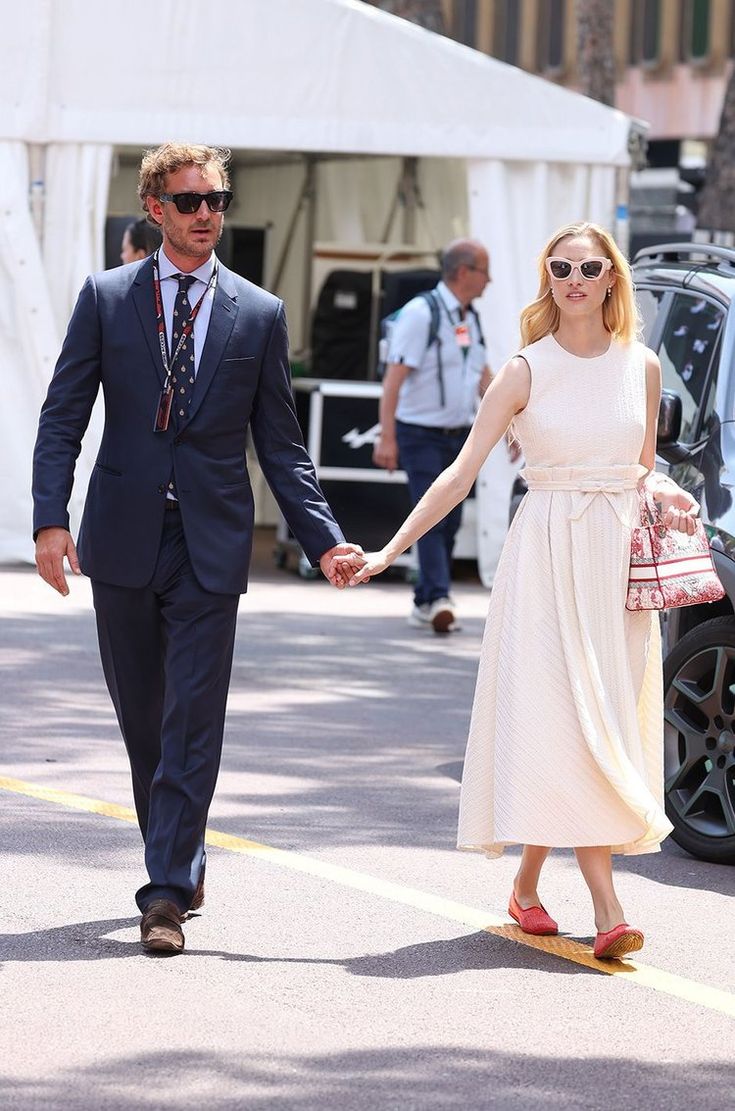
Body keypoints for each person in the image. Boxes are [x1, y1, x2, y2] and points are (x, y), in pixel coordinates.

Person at [32, 142, 363, 955]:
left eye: (216, 199)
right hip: (122, 534)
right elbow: (64, 413)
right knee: (144, 717)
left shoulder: (260, 312)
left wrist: (323, 540)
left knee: (193, 716)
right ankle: (180, 850)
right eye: (189, 201)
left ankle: (165, 892)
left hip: (210, 540)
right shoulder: (107, 298)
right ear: (156, 208)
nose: (206, 213)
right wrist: (48, 519)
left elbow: (281, 446)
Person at [342, 221, 699, 960]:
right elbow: (458, 474)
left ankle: (526, 887)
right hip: (544, 558)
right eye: (560, 268)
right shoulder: (523, 370)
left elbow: (640, 467)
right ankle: (608, 910)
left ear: (611, 277)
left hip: (613, 567)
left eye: (588, 268)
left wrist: (667, 490)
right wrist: (389, 550)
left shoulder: (641, 365)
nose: (574, 280)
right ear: (547, 279)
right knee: (569, 717)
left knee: (590, 720)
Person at [373, 239, 493, 634]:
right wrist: (387, 436)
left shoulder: (469, 318)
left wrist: (509, 423)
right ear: (463, 272)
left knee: (451, 517)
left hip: (459, 434)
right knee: (432, 515)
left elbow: (482, 375)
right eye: (484, 271)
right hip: (420, 433)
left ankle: (424, 599)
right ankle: (439, 597)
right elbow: (393, 380)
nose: (489, 280)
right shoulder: (421, 314)